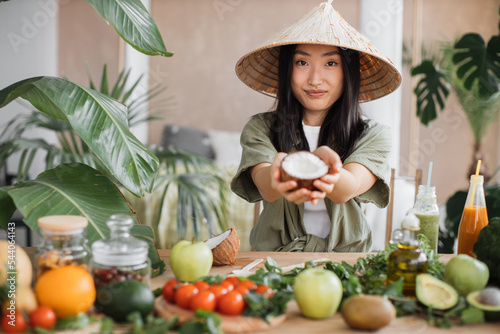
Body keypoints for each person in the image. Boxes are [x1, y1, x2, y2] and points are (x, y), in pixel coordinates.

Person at [231, 0, 402, 252]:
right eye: (302, 62)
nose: (314, 79)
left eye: (330, 63)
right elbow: (266, 186)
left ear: (348, 72)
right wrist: (278, 175)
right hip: (274, 262)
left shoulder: (374, 135)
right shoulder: (260, 128)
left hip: (346, 264)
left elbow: (348, 188)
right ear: (287, 70)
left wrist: (327, 167)